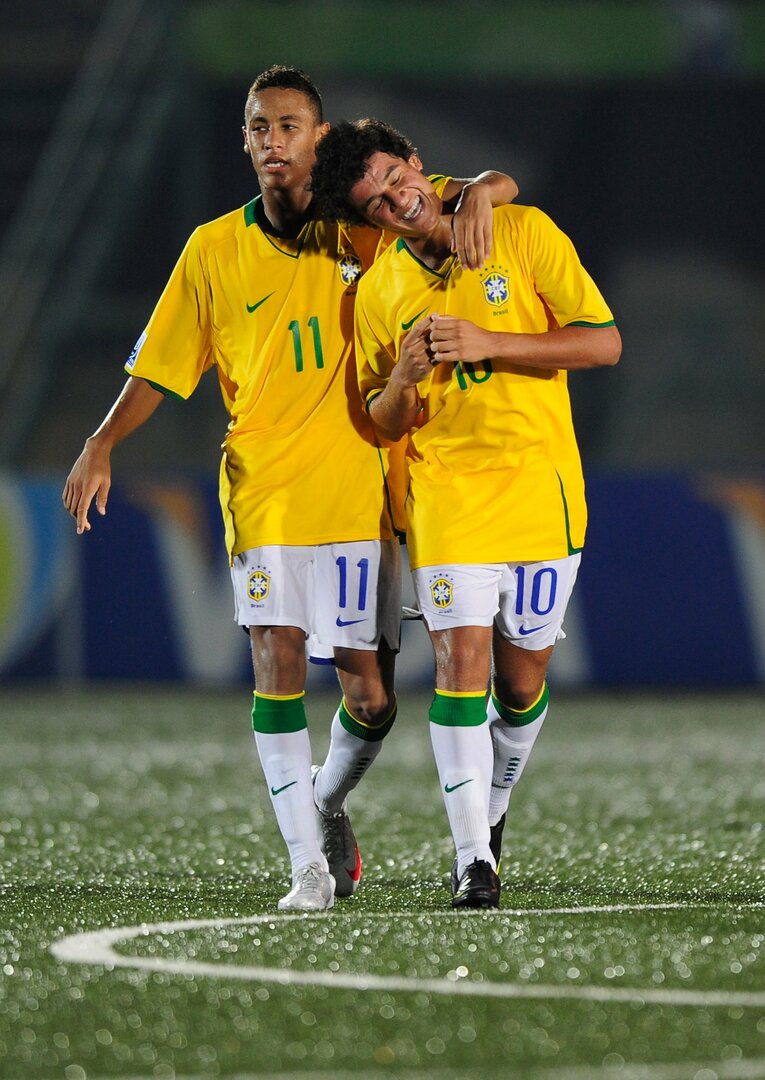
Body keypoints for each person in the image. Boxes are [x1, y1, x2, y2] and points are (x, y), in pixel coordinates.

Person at [62, 68, 519, 912]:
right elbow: (159, 367)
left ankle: (324, 803)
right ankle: (306, 867)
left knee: (370, 699)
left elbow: (461, 191)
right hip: (263, 485)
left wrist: (485, 191)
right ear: (243, 140)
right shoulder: (211, 249)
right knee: (275, 660)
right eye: (258, 127)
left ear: (319, 137)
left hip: (360, 483)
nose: (273, 140)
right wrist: (101, 441)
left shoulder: (364, 222)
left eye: (288, 125)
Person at [310, 119, 622, 909]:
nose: (397, 202)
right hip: (447, 495)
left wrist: (490, 342)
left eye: (396, 179)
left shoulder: (521, 230)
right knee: (459, 671)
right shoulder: (378, 291)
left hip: (541, 488)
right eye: (376, 204)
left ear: (416, 163)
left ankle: (493, 806)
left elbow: (601, 344)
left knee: (520, 686)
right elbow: (380, 420)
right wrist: (402, 382)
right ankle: (470, 858)